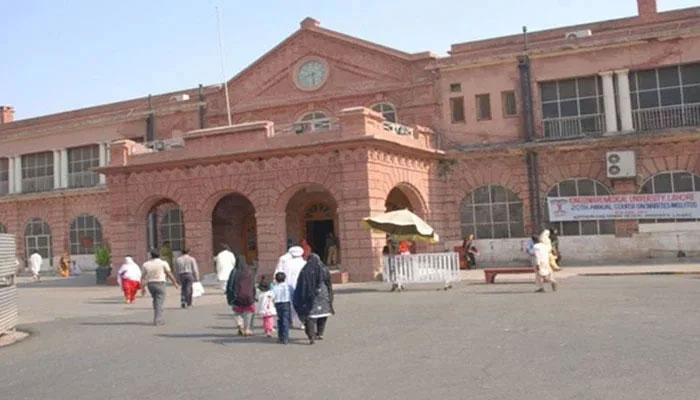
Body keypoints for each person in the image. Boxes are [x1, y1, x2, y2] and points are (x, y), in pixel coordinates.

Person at [293, 254, 335, 344]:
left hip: (310, 296)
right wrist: (330, 295)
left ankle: (311, 336)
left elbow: (301, 285)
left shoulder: (305, 270)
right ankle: (320, 333)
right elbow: (328, 283)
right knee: (323, 314)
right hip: (323, 295)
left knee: (310, 317)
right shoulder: (324, 269)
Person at [141, 249, 180, 325]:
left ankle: (157, 314)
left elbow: (143, 277)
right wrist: (175, 282)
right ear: (159, 255)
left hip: (150, 284)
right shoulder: (163, 263)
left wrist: (142, 288)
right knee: (159, 301)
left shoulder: (145, 264)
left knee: (156, 300)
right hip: (160, 283)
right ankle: (158, 319)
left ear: (151, 255)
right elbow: (169, 273)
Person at [274, 246, 306, 328]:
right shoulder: (304, 263)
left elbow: (279, 274)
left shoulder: (286, 262)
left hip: (287, 286)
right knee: (300, 303)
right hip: (300, 286)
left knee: (290, 304)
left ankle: (291, 321)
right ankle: (300, 322)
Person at [226, 253, 257, 336]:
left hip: (237, 296)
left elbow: (230, 284)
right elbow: (253, 284)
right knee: (248, 312)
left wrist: (229, 296)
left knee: (237, 311)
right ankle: (247, 329)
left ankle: (240, 324)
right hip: (249, 296)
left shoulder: (234, 271)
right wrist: (254, 295)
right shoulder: (250, 271)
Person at [272, 271, 293, 344]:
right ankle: (285, 338)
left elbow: (272, 296)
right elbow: (292, 294)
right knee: (285, 321)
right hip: (286, 303)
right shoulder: (288, 286)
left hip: (278, 304)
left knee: (279, 320)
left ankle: (280, 337)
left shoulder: (275, 287)